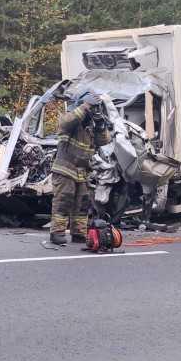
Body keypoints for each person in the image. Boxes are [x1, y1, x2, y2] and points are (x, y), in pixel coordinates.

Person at [48, 92, 112, 246]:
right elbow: (65, 123)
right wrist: (86, 105)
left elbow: (104, 140)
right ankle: (57, 233)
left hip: (82, 171)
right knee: (63, 201)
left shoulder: (90, 127)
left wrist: (101, 125)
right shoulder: (69, 122)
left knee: (82, 204)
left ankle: (79, 233)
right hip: (65, 169)